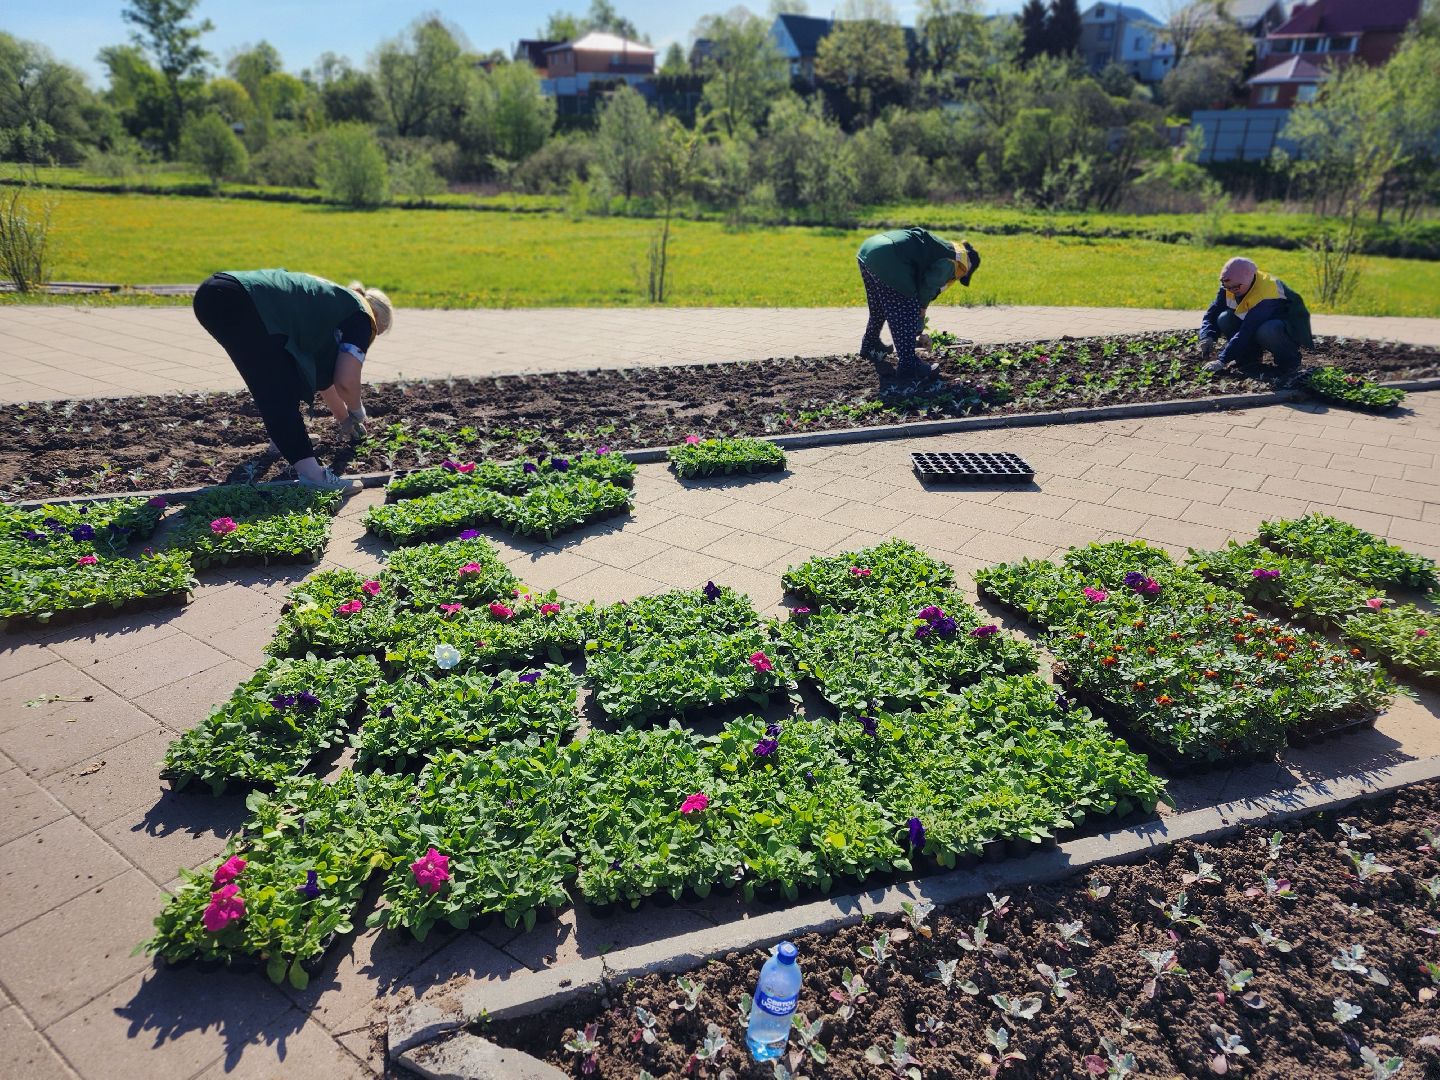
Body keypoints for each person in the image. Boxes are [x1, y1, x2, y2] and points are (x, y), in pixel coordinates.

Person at [192, 269, 393, 489]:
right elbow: (346, 380)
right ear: (376, 318)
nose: (369, 338)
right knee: (278, 389)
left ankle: (282, 442)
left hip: (216, 293)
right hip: (241, 301)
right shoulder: (363, 317)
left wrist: (345, 420)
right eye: (376, 333)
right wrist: (357, 412)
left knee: (275, 381)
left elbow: (325, 380)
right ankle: (314, 476)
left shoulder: (337, 304)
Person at [857, 228, 980, 384]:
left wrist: (915, 328)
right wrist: (920, 312)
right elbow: (928, 286)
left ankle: (870, 345)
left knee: (878, 308)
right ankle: (909, 366)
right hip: (889, 256)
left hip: (869, 250)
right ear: (969, 267)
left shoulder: (945, 248)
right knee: (907, 306)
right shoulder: (954, 263)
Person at [1198, 257, 1312, 374]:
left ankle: (1290, 363)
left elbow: (1247, 330)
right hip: (1256, 322)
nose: (1231, 290)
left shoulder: (1267, 293)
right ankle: (1248, 359)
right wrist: (1206, 336)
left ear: (1248, 280)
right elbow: (1213, 312)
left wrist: (1222, 360)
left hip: (1289, 328)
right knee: (1225, 318)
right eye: (1227, 287)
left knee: (1267, 330)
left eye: (1235, 287)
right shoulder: (1231, 285)